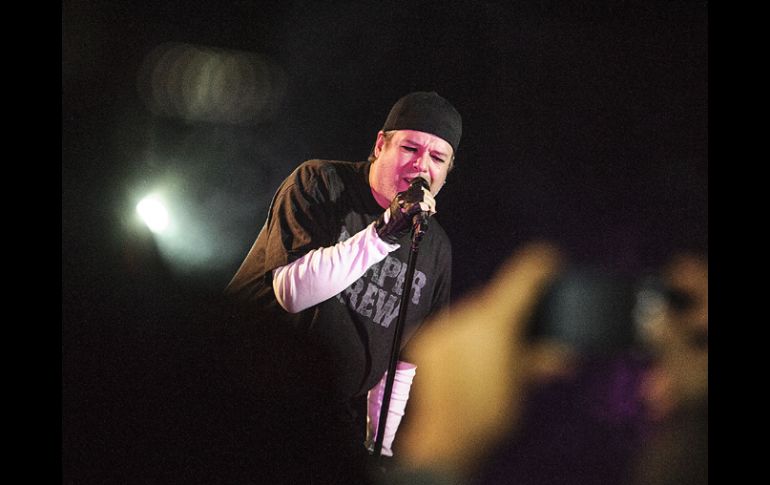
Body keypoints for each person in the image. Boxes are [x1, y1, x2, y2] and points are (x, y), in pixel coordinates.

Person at [225, 91, 462, 483]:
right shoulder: (319, 182)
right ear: (380, 145)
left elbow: (401, 364)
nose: (422, 166)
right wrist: (385, 232)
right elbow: (292, 293)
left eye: (438, 158)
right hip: (249, 390)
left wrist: (381, 449)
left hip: (328, 416)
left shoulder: (435, 247)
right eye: (410, 147)